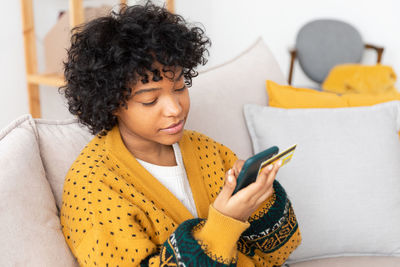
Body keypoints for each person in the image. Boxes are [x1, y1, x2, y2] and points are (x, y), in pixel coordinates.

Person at [59, 2, 301, 266]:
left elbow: (278, 252)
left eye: (179, 87)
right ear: (112, 103)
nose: (175, 109)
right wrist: (224, 221)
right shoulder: (92, 188)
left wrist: (260, 200)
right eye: (150, 100)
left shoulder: (206, 150)